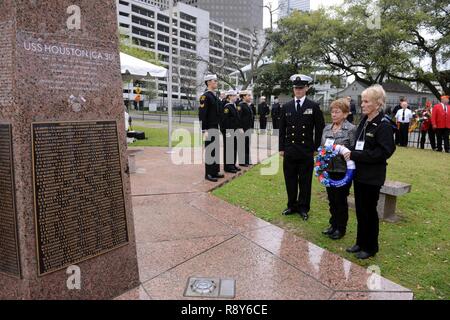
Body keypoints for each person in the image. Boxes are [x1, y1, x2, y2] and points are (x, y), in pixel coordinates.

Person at [343, 84, 396, 259]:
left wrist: (356, 154)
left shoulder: (384, 125)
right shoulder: (365, 121)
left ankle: (370, 247)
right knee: (360, 209)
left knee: (369, 211)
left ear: (378, 103)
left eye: (366, 101)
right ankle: (360, 242)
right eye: (362, 101)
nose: (362, 104)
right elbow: (358, 143)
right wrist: (346, 149)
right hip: (359, 174)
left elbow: (384, 152)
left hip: (372, 176)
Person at [279, 74, 325, 220]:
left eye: (301, 88)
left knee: (305, 181)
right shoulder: (286, 106)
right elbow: (281, 129)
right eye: (296, 88)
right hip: (290, 150)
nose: (298, 91)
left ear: (307, 88)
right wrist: (281, 148)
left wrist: (316, 147)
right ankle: (292, 205)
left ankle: (303, 207)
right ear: (293, 89)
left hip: (306, 150)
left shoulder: (313, 106)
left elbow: (320, 129)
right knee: (290, 179)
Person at [321, 99, 356, 240]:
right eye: (332, 111)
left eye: (337, 111)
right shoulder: (326, 129)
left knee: (340, 200)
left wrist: (343, 152)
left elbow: (353, 151)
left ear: (346, 114)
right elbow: (322, 148)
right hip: (329, 170)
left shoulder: (352, 129)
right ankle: (333, 224)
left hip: (343, 171)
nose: (334, 114)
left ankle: (340, 228)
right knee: (331, 199)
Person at [199, 74, 225, 182]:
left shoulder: (214, 96)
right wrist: (204, 130)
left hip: (215, 126)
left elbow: (219, 110)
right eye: (214, 81)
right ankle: (208, 173)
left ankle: (214, 171)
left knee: (215, 150)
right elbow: (202, 114)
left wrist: (222, 99)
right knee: (210, 150)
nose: (216, 82)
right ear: (208, 82)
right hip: (209, 127)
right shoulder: (205, 96)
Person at [220, 90, 241, 173]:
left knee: (234, 148)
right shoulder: (227, 107)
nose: (236, 97)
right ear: (229, 97)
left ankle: (232, 164)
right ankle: (228, 166)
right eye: (234, 95)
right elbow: (225, 121)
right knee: (229, 149)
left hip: (234, 131)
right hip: (229, 131)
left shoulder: (233, 106)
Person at [237, 90, 254, 167]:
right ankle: (242, 161)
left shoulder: (247, 105)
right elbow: (238, 117)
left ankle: (247, 160)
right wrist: (240, 127)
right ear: (244, 96)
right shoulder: (240, 105)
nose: (250, 97)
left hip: (248, 128)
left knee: (247, 144)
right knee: (242, 145)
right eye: (248, 95)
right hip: (243, 129)